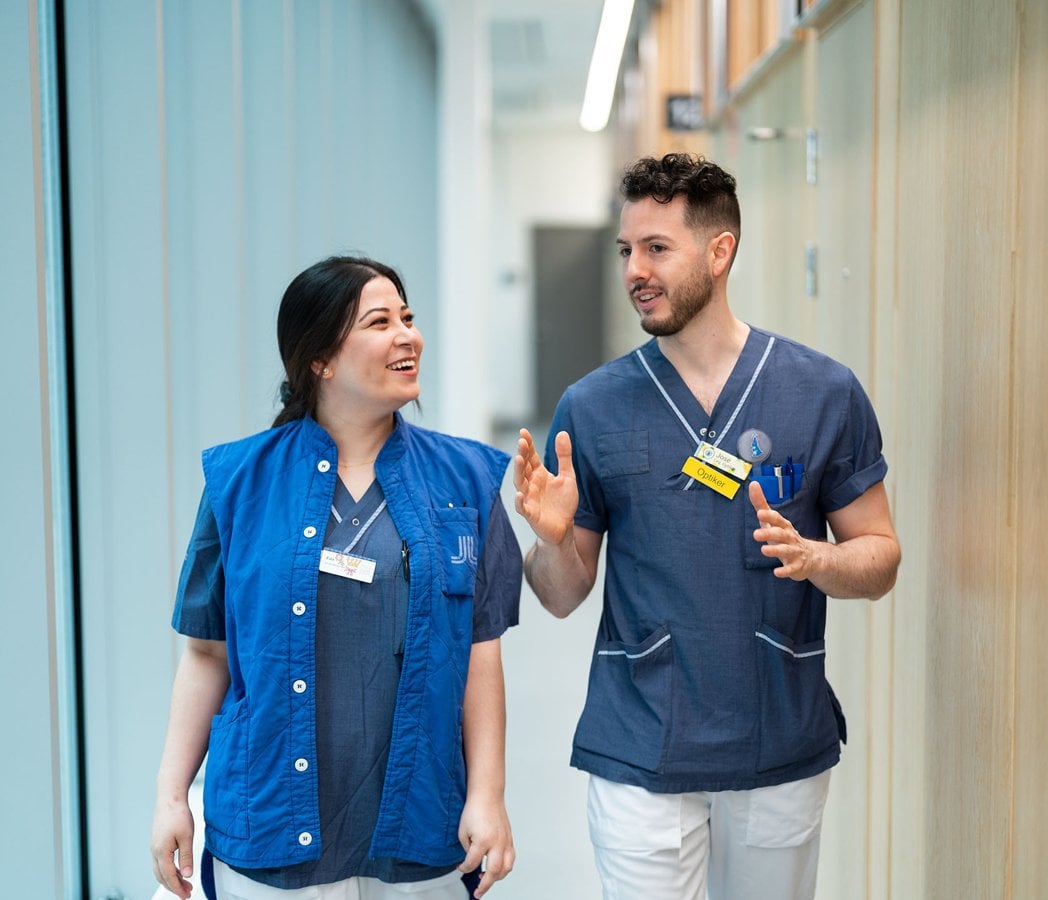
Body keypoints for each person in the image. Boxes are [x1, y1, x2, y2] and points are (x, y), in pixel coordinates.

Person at [513, 153, 900, 900]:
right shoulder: (590, 408)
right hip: (640, 745)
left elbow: (881, 558)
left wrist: (818, 559)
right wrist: (553, 539)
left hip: (777, 742)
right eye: (626, 250)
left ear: (720, 252)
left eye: (658, 248)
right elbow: (561, 596)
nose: (635, 270)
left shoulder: (822, 393)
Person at [151, 256, 520, 900]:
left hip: (420, 827)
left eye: (407, 318)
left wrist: (488, 796)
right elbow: (207, 654)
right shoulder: (240, 482)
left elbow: (479, 656)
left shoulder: (467, 480)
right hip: (268, 825)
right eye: (380, 322)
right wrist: (170, 797)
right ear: (319, 359)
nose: (407, 335)